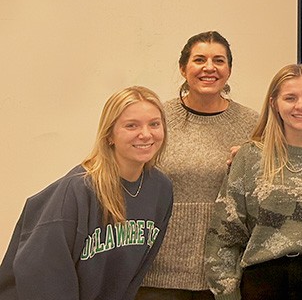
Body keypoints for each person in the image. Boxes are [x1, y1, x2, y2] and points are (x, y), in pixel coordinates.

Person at [0, 86, 174, 299]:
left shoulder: (161, 189)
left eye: (154, 124)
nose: (146, 134)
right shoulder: (79, 189)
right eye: (131, 126)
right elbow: (41, 272)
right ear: (109, 134)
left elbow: (136, 273)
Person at [205, 64, 302, 300]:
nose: (301, 106)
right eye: (290, 98)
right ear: (274, 103)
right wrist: (226, 295)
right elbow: (224, 235)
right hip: (262, 284)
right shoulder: (250, 156)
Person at [139, 31, 259, 300]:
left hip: (224, 274)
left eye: (219, 60)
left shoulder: (252, 124)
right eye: (199, 60)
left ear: (228, 70)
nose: (209, 68)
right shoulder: (157, 118)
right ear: (183, 68)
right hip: (158, 273)